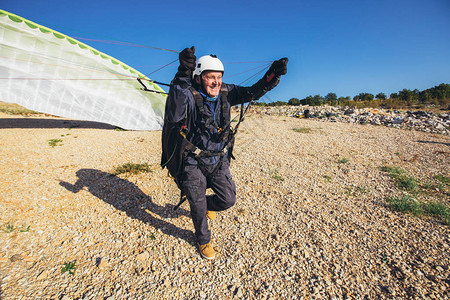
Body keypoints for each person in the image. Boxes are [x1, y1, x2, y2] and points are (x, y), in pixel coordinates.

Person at [161, 46, 287, 259]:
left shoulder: (226, 92)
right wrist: (182, 75)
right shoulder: (187, 94)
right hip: (192, 161)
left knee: (228, 199)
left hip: (219, 159)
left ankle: (201, 204)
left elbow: (252, 92)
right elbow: (174, 114)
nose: (216, 82)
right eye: (210, 77)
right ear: (199, 78)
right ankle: (203, 240)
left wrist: (272, 75)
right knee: (198, 204)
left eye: (218, 77)